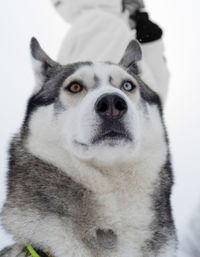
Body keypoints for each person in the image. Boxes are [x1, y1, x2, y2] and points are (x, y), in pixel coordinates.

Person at [50, 0, 169, 102]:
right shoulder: (106, 25)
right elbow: (90, 98)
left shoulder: (102, 24)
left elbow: (153, 105)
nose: (139, 6)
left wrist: (151, 44)